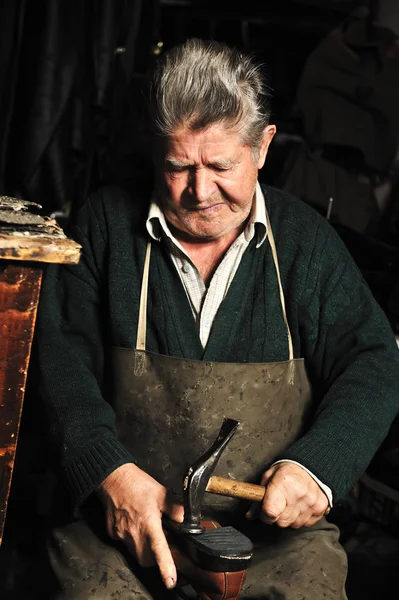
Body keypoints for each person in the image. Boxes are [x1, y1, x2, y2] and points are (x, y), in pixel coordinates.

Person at [36, 38, 399, 599]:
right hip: (125, 527)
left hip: (272, 545)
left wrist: (321, 466)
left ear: (263, 147)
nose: (200, 192)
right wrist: (106, 471)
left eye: (221, 166)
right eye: (178, 166)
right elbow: (56, 360)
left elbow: (374, 361)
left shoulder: (305, 246)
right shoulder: (106, 226)